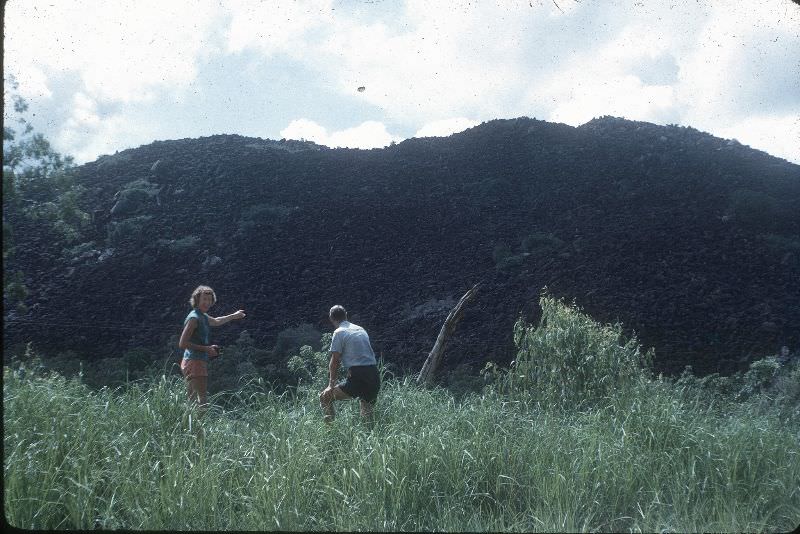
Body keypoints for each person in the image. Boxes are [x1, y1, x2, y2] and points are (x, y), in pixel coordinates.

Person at [178, 285, 245, 408]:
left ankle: (188, 426)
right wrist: (207, 349)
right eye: (204, 299)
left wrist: (234, 316)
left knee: (192, 399)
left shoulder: (202, 315)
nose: (207, 302)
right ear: (197, 300)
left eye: (209, 300)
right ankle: (197, 427)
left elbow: (216, 321)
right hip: (194, 361)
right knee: (201, 400)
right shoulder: (194, 318)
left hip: (193, 360)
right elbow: (182, 343)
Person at [319, 305, 380, 425]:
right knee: (366, 418)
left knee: (325, 397)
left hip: (359, 376)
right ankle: (371, 439)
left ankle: (330, 433)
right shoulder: (360, 329)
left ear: (331, 319)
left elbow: (335, 360)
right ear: (346, 315)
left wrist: (330, 385)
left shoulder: (339, 332)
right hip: (374, 375)